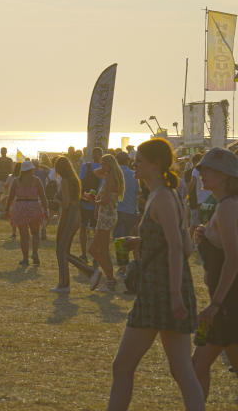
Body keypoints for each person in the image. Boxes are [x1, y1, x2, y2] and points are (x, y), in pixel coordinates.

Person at [106, 138, 203, 411]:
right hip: (168, 288)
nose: (134, 163)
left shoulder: (161, 197)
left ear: (156, 164)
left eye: (140, 160)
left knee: (122, 366)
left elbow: (177, 247)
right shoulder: (165, 194)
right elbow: (183, 245)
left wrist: (174, 296)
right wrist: (142, 243)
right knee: (182, 370)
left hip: (161, 291)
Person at [190, 147, 238, 400]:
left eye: (208, 169)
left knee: (196, 366)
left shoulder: (228, 207)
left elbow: (234, 258)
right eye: (201, 169)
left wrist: (215, 305)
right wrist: (204, 235)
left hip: (228, 303)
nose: (202, 173)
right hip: (226, 302)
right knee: (198, 366)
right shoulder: (224, 206)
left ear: (225, 176)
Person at [88, 154, 124, 293]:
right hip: (109, 215)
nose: (101, 167)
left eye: (103, 164)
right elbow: (96, 172)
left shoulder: (110, 178)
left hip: (106, 216)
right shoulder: (113, 177)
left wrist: (93, 202)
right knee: (99, 250)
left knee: (99, 250)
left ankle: (109, 279)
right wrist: (105, 169)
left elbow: (105, 200)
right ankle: (109, 278)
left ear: (109, 165)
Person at [6, 160, 48, 266]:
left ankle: (25, 258)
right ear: (31, 170)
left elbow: (10, 197)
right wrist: (46, 209)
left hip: (20, 207)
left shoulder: (16, 181)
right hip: (34, 206)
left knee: (24, 235)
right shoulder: (36, 181)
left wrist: (7, 209)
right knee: (35, 233)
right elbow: (43, 197)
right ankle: (35, 253)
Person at [51, 156, 82, 294]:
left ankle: (64, 284)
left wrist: (56, 199)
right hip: (76, 214)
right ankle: (65, 282)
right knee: (64, 249)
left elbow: (65, 204)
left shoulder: (64, 181)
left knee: (61, 249)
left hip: (68, 215)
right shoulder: (75, 180)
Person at [78, 147, 103, 262]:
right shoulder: (103, 169)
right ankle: (95, 255)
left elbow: (80, 183)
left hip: (84, 201)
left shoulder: (85, 167)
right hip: (97, 204)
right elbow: (102, 187)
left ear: (92, 155)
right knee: (96, 230)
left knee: (83, 228)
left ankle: (84, 254)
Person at [115, 151, 139, 238]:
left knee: (117, 237)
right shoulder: (134, 175)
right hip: (130, 210)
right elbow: (138, 192)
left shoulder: (112, 174)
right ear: (127, 161)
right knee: (128, 236)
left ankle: (119, 251)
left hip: (116, 209)